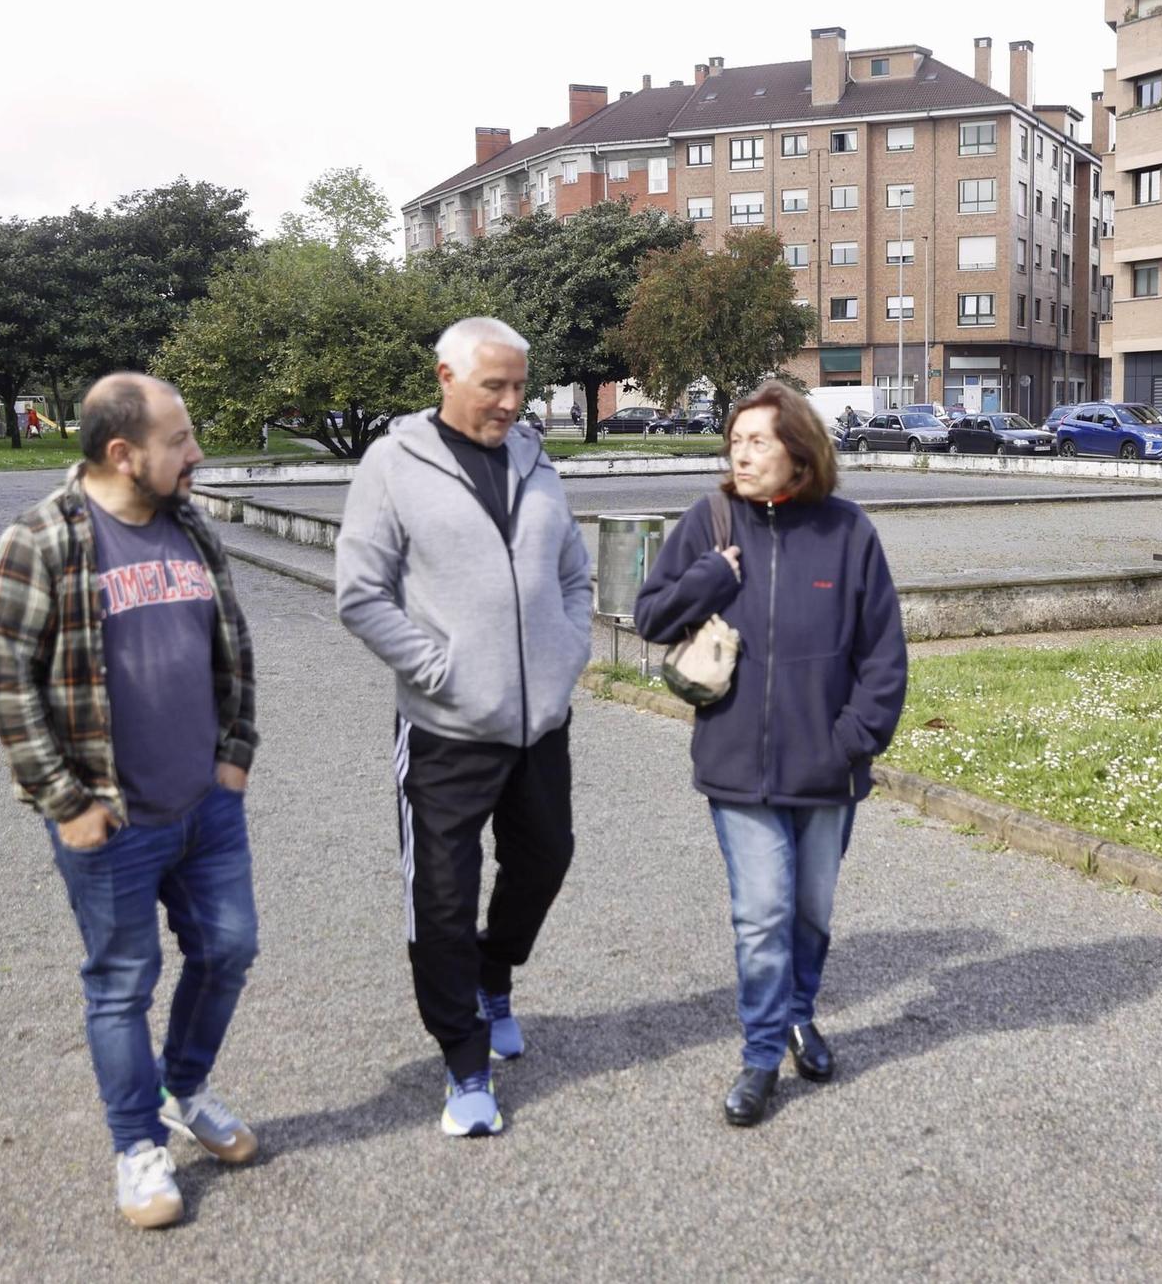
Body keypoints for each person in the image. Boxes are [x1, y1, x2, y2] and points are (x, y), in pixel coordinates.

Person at [0, 372, 261, 1229]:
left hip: (205, 807)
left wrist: (235, 751)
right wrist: (64, 802)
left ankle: (184, 1085)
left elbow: (232, 643)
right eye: (179, 439)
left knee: (230, 948)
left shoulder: (188, 526)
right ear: (121, 453)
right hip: (110, 818)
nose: (196, 452)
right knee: (121, 984)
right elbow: (6, 683)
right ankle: (137, 1143)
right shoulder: (41, 540)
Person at [335, 317, 592, 1138]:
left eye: (522, 387)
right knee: (440, 899)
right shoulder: (392, 465)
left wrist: (567, 650)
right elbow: (361, 593)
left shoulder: (535, 458)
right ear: (446, 376)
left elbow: (574, 572)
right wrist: (439, 669)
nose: (513, 404)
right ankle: (465, 1061)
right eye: (495, 387)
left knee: (546, 859)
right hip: (445, 729)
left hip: (539, 723)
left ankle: (495, 972)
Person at [634, 381, 907, 1127]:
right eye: (735, 441)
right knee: (762, 913)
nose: (741, 453)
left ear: (799, 448)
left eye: (758, 440)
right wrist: (712, 576)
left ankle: (798, 1013)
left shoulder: (848, 532)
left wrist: (849, 742)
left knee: (811, 911)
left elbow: (884, 655)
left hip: (828, 769)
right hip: (738, 767)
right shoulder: (711, 520)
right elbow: (650, 615)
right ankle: (760, 1056)